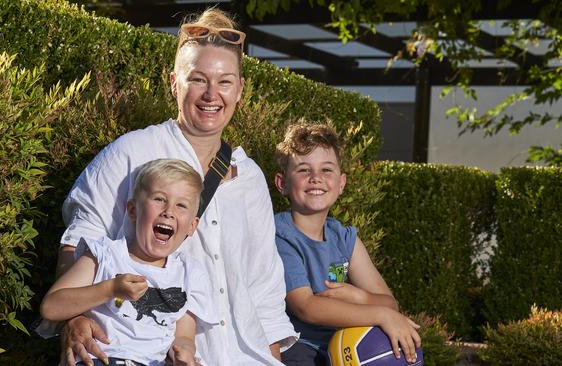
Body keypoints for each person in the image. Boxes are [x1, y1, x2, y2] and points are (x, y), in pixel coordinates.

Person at [54, 8, 298, 366]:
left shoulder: (250, 177)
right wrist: (74, 320)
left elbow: (264, 286)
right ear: (174, 83)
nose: (211, 94)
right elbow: (76, 245)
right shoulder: (131, 152)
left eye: (225, 81)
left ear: (240, 89)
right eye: (198, 79)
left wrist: (270, 357)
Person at [41, 159, 216, 366]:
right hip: (100, 359)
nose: (169, 211)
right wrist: (110, 289)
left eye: (181, 205)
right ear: (132, 210)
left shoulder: (190, 274)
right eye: (159, 199)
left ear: (192, 226)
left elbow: (185, 336)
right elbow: (51, 307)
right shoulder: (105, 255)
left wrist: (184, 353)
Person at [273, 122, 421, 365]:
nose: (316, 178)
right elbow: (306, 307)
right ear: (282, 184)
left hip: (341, 342)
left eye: (326, 170)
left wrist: (359, 297)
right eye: (303, 170)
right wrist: (382, 315)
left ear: (341, 183)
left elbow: (389, 301)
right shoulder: (280, 235)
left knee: (400, 351)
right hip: (297, 346)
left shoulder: (343, 238)